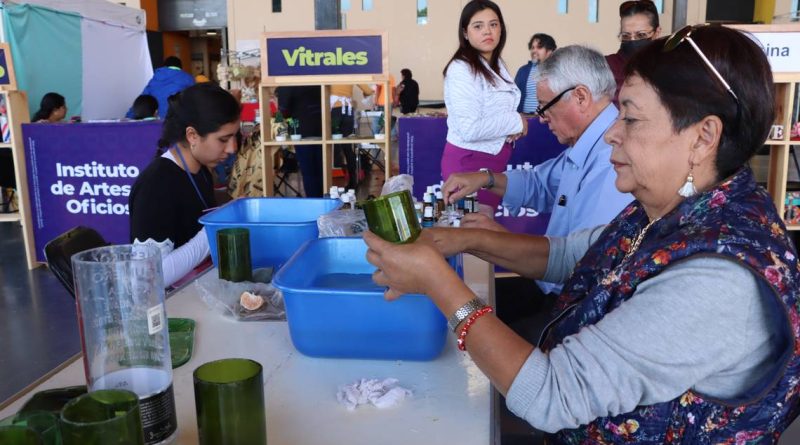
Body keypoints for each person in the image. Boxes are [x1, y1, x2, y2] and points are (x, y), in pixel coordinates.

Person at [366, 25, 800, 442]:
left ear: (703, 137)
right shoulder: (675, 208)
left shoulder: (719, 281)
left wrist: (440, 284)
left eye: (629, 117)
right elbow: (573, 254)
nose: (611, 132)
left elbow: (554, 394)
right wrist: (465, 240)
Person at [444, 45, 632, 297]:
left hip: (575, 303)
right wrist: (486, 178)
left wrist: (494, 240)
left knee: (465, 311)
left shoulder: (613, 160)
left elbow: (581, 261)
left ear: (580, 97)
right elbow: (540, 184)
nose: (542, 119)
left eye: (544, 107)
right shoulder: (588, 143)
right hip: (553, 286)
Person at [129, 83, 239, 287]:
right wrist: (214, 230)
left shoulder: (202, 169)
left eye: (235, 136)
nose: (233, 148)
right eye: (223, 139)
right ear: (192, 136)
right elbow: (149, 278)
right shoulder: (156, 185)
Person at [441, 0, 526, 214]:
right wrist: (516, 121)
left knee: (482, 237)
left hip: (493, 162)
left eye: (494, 24)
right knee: (474, 237)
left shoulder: (496, 64)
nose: (487, 31)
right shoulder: (461, 68)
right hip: (469, 162)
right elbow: (470, 128)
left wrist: (511, 127)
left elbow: (496, 112)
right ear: (466, 33)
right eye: (478, 26)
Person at [606, 0, 661, 105]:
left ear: (657, 33)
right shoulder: (606, 67)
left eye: (641, 35)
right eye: (626, 36)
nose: (632, 41)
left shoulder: (668, 68)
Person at [277, 85, 324, 197]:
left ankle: (314, 203)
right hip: (322, 128)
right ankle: (324, 201)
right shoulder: (316, 79)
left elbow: (283, 109)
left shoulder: (287, 84)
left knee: (309, 172)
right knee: (322, 169)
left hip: (302, 131)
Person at [331, 83, 374, 190]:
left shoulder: (328, 71)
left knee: (331, 144)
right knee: (347, 147)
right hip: (348, 110)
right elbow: (368, 91)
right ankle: (352, 181)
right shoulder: (349, 72)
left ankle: (333, 179)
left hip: (333, 109)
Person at [127, 56, 195, 120]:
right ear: (180, 67)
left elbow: (142, 101)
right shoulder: (188, 79)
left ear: (165, 66)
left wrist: (128, 117)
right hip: (177, 121)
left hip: (157, 120)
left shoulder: (155, 79)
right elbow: (195, 101)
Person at [514, 33, 556, 114]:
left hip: (548, 119)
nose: (534, 51)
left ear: (550, 51)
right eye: (532, 47)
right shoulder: (523, 70)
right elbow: (515, 96)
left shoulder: (557, 70)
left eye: (539, 47)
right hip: (526, 119)